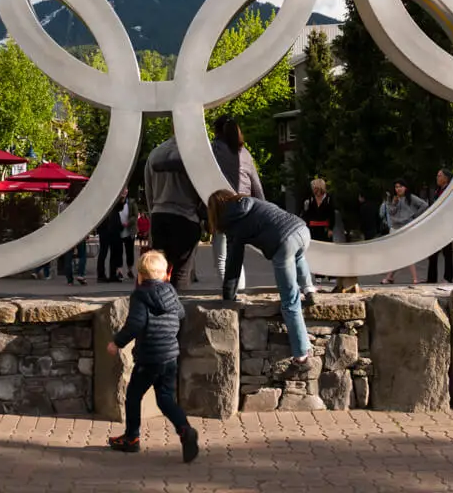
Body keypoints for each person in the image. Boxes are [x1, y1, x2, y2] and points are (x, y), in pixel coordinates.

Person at [106, 250, 200, 462]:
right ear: (165, 274)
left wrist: (117, 343)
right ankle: (185, 430)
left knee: (133, 396)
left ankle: (131, 438)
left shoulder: (140, 295)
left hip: (149, 357)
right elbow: (181, 314)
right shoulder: (170, 291)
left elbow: (135, 324)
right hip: (170, 355)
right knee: (165, 398)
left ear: (140, 276)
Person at [209, 189, 316, 363]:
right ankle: (309, 288)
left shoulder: (232, 223)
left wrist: (229, 295)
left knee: (289, 301)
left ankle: (301, 353)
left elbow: (233, 263)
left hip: (283, 242)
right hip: (302, 229)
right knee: (299, 255)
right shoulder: (251, 201)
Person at [210, 115, 264, 292]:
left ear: (216, 131)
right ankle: (240, 291)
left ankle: (230, 292)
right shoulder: (245, 153)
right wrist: (262, 208)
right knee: (237, 254)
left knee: (222, 256)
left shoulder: (214, 149)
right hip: (245, 208)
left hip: (223, 207)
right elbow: (256, 184)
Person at [144, 137, 203, 291]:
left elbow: (148, 190)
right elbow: (202, 189)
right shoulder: (195, 153)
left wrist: (153, 214)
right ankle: (177, 310)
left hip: (159, 215)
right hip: (186, 217)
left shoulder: (155, 153)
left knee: (156, 271)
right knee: (181, 273)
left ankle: (158, 309)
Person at [381, 179, 428, 284]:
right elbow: (391, 212)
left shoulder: (410, 198)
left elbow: (424, 205)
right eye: (396, 187)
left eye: (400, 187)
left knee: (407, 252)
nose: (398, 189)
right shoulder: (392, 199)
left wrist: (415, 216)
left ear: (405, 187)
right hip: (394, 227)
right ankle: (390, 276)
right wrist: (394, 203)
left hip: (406, 227)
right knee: (395, 253)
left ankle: (414, 278)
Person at [426, 169, 453, 283]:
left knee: (447, 253)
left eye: (439, 176)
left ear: (446, 178)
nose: (437, 178)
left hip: (446, 226)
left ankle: (448, 278)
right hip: (436, 226)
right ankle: (431, 278)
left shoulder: (449, 191)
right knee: (432, 253)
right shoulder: (437, 191)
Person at [97, 187, 129, 282]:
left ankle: (112, 274)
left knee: (114, 251)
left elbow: (119, 207)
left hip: (113, 226)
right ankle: (101, 275)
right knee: (104, 251)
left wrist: (122, 198)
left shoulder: (112, 196)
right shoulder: (102, 198)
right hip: (106, 227)